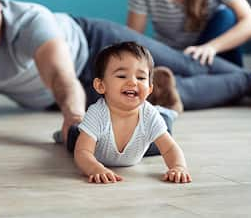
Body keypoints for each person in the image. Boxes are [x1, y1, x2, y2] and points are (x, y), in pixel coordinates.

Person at [0, 0, 251, 144]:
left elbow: (59, 77)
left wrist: (74, 116)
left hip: (94, 44)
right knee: (165, 91)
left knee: (184, 63)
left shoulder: (30, 20)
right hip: (77, 90)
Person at [67, 41, 192, 184]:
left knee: (164, 129)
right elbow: (83, 152)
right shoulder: (97, 114)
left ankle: (169, 109)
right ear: (101, 85)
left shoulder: (148, 115)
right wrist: (96, 168)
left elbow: (170, 148)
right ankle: (67, 130)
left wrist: (179, 167)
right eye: (122, 76)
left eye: (141, 78)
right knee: (73, 138)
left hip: (139, 146)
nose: (133, 82)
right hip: (98, 142)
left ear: (150, 89)